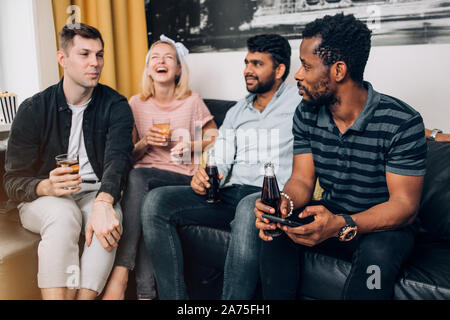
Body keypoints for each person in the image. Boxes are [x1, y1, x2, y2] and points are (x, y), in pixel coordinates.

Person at [255, 13, 427, 300]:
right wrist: (284, 203)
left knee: (378, 257)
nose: (297, 74)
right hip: (332, 212)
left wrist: (343, 224)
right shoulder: (307, 112)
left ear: (338, 70)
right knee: (278, 232)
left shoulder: (401, 121)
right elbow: (301, 179)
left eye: (307, 66)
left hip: (384, 227)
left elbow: (404, 205)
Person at [140, 34, 302, 299]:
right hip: (230, 193)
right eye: (247, 62)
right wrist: (204, 176)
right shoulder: (238, 110)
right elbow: (221, 157)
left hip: (267, 196)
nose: (248, 70)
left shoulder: (300, 104)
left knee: (248, 206)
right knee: (155, 202)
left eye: (257, 64)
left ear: (280, 69)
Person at [3, 23, 134, 300]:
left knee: (109, 220)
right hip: (44, 198)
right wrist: (45, 187)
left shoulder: (115, 105)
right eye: (84, 54)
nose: (95, 63)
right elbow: (12, 182)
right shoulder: (33, 109)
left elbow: (118, 160)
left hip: (93, 191)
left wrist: (104, 201)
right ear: (63, 59)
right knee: (64, 215)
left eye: (99, 55)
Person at [102, 35, 217, 300]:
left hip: (181, 179)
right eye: (155, 57)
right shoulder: (135, 103)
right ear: (148, 68)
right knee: (145, 204)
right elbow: (126, 154)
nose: (161, 61)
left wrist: (191, 146)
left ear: (178, 69)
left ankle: (120, 275)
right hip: (143, 184)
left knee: (138, 177)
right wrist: (144, 142)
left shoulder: (191, 101)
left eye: (168, 58)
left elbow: (215, 136)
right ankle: (145, 294)